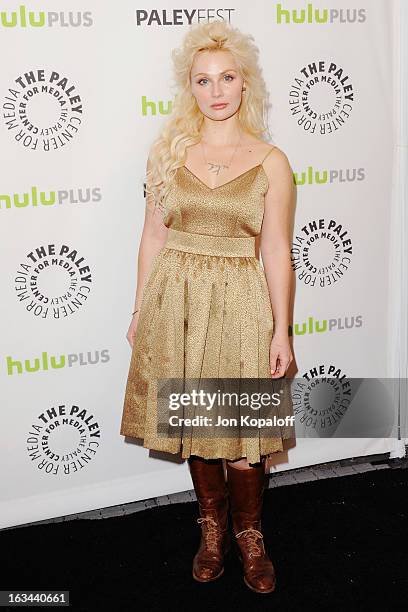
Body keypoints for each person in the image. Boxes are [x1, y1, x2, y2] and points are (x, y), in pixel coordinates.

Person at [120, 20, 295, 595]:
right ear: (189, 87)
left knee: (242, 430)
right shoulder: (169, 152)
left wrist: (282, 332)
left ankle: (250, 533)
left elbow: (277, 252)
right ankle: (211, 530)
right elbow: (151, 238)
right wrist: (141, 309)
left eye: (226, 78)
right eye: (203, 80)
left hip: (244, 301)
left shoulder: (272, 160)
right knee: (197, 424)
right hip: (179, 301)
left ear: (245, 85)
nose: (216, 90)